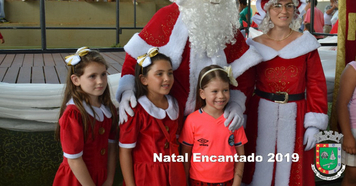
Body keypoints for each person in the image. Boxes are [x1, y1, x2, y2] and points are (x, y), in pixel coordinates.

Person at [115, 0, 262, 133]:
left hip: (211, 118)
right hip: (166, 116)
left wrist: (237, 104)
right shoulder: (167, 16)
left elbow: (245, 71)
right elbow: (135, 56)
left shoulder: (227, 27)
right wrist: (127, 90)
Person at [242, 0, 328, 186]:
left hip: (297, 116)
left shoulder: (306, 44)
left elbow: (316, 84)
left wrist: (314, 123)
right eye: (277, 6)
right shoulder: (254, 45)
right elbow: (245, 86)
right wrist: (241, 113)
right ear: (267, 10)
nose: (284, 11)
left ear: (295, 9)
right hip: (259, 115)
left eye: (289, 5)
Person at [119, 47, 186, 186]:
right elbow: (125, 152)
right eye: (159, 74)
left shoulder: (175, 105)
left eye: (170, 73)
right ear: (144, 80)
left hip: (174, 173)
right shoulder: (136, 110)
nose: (167, 78)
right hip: (147, 177)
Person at [53, 47, 118, 186]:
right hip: (76, 180)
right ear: (76, 80)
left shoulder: (109, 109)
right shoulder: (74, 114)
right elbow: (74, 160)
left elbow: (112, 148)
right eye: (92, 76)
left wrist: (109, 179)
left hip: (101, 177)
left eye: (103, 74)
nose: (100, 81)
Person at [179, 65, 247, 186]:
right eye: (215, 91)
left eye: (225, 90)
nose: (221, 96)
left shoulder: (234, 120)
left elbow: (241, 156)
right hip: (197, 181)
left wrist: (236, 182)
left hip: (228, 181)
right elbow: (185, 155)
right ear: (202, 93)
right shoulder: (192, 120)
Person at [337, 61, 356, 186]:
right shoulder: (353, 69)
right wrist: (348, 136)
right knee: (353, 175)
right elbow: (341, 104)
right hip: (354, 130)